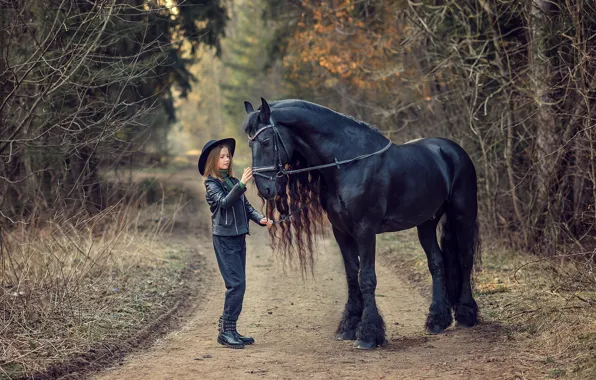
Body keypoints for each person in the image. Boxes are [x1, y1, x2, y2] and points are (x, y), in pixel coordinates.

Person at [198, 137, 273, 349]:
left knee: (239, 284)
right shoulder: (211, 184)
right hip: (224, 239)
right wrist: (241, 184)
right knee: (236, 285)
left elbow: (245, 206)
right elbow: (224, 202)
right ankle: (226, 331)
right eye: (221, 156)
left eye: (228, 155)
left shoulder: (230, 182)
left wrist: (260, 219)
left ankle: (229, 329)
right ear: (213, 160)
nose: (226, 159)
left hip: (238, 237)